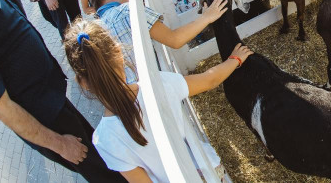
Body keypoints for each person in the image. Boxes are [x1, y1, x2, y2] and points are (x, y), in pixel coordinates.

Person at [64, 19, 252, 182]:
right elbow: (209, 79)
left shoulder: (104, 140)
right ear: (119, 52)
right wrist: (235, 59)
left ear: (82, 82)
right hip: (209, 171)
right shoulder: (156, 84)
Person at [0, 0, 125, 182]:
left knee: (105, 157)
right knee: (104, 172)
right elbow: (2, 108)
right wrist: (60, 145)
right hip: (44, 117)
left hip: (52, 98)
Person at [88, 0, 229, 83]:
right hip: (151, 90)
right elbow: (174, 39)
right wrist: (206, 17)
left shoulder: (95, 29)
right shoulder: (128, 10)